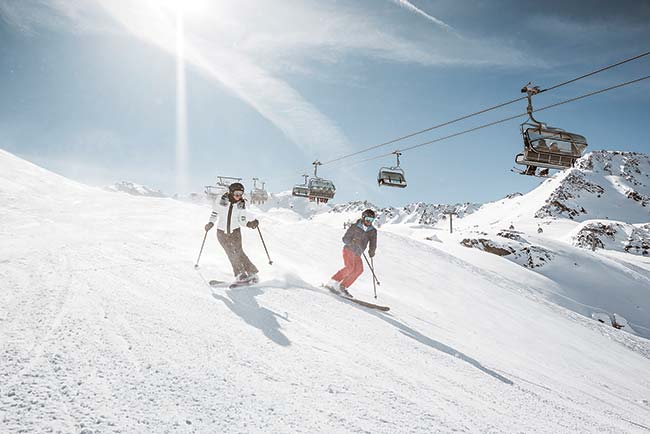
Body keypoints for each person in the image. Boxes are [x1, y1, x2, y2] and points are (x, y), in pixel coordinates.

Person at [204, 182, 259, 284]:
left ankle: (252, 273)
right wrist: (211, 222)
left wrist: (250, 224)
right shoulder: (221, 200)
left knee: (239, 252)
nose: (239, 196)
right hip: (221, 232)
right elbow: (215, 213)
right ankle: (240, 275)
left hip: (235, 232)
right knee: (231, 253)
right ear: (231, 191)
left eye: (241, 193)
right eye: (237, 193)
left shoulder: (241, 204)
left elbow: (242, 221)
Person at [327, 209, 377, 297]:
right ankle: (333, 282)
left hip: (358, 253)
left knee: (359, 270)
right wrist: (352, 241)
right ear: (363, 217)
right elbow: (345, 239)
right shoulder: (355, 226)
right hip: (349, 250)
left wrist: (372, 251)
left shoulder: (372, 231)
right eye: (368, 219)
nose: (369, 222)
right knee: (350, 267)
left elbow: (373, 243)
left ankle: (343, 287)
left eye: (371, 220)